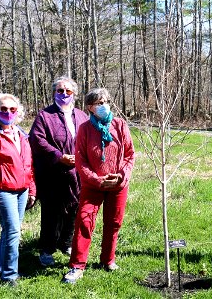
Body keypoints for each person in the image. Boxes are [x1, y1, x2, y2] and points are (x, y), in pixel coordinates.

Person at [62, 88, 135, 284]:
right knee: (84, 222)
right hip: (93, 186)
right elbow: (80, 160)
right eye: (98, 103)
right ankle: (77, 265)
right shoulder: (85, 129)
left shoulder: (120, 125)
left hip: (118, 185)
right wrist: (97, 179)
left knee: (113, 223)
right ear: (90, 107)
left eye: (106, 102)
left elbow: (129, 154)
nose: (103, 106)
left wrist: (121, 177)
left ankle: (108, 260)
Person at [0, 93, 36, 285]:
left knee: (10, 230)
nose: (8, 113)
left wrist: (32, 188)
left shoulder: (21, 134)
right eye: (3, 109)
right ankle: (10, 275)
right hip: (3, 190)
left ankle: (0, 267)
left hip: (22, 190)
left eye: (12, 109)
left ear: (18, 112)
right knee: (13, 232)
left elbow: (29, 164)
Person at [29, 76, 89, 267]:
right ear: (54, 93)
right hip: (52, 173)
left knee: (74, 209)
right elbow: (37, 140)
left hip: (77, 172)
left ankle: (66, 242)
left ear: (74, 94)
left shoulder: (81, 116)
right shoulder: (45, 116)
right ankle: (47, 249)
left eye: (68, 91)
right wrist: (58, 155)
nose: (64, 94)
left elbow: (89, 139)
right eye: (60, 91)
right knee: (51, 211)